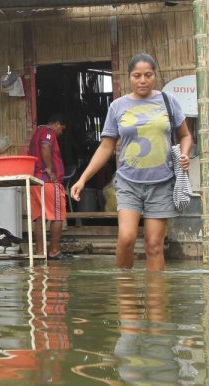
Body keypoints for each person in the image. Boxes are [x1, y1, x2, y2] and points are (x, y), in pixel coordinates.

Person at [69, 54, 192, 271]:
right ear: (129, 77)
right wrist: (83, 178)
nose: (142, 80)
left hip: (162, 183)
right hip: (128, 183)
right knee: (126, 238)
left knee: (154, 245)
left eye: (148, 75)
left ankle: (156, 300)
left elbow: (185, 135)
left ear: (155, 75)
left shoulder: (168, 101)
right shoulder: (118, 106)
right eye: (137, 76)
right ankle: (126, 292)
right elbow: (106, 146)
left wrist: (184, 154)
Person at [27, 112, 68, 259]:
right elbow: (45, 146)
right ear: (56, 124)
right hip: (48, 181)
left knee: (40, 217)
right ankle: (54, 251)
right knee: (57, 215)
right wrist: (50, 169)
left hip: (36, 181)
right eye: (61, 129)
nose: (60, 132)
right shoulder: (48, 132)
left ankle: (40, 252)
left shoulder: (36, 133)